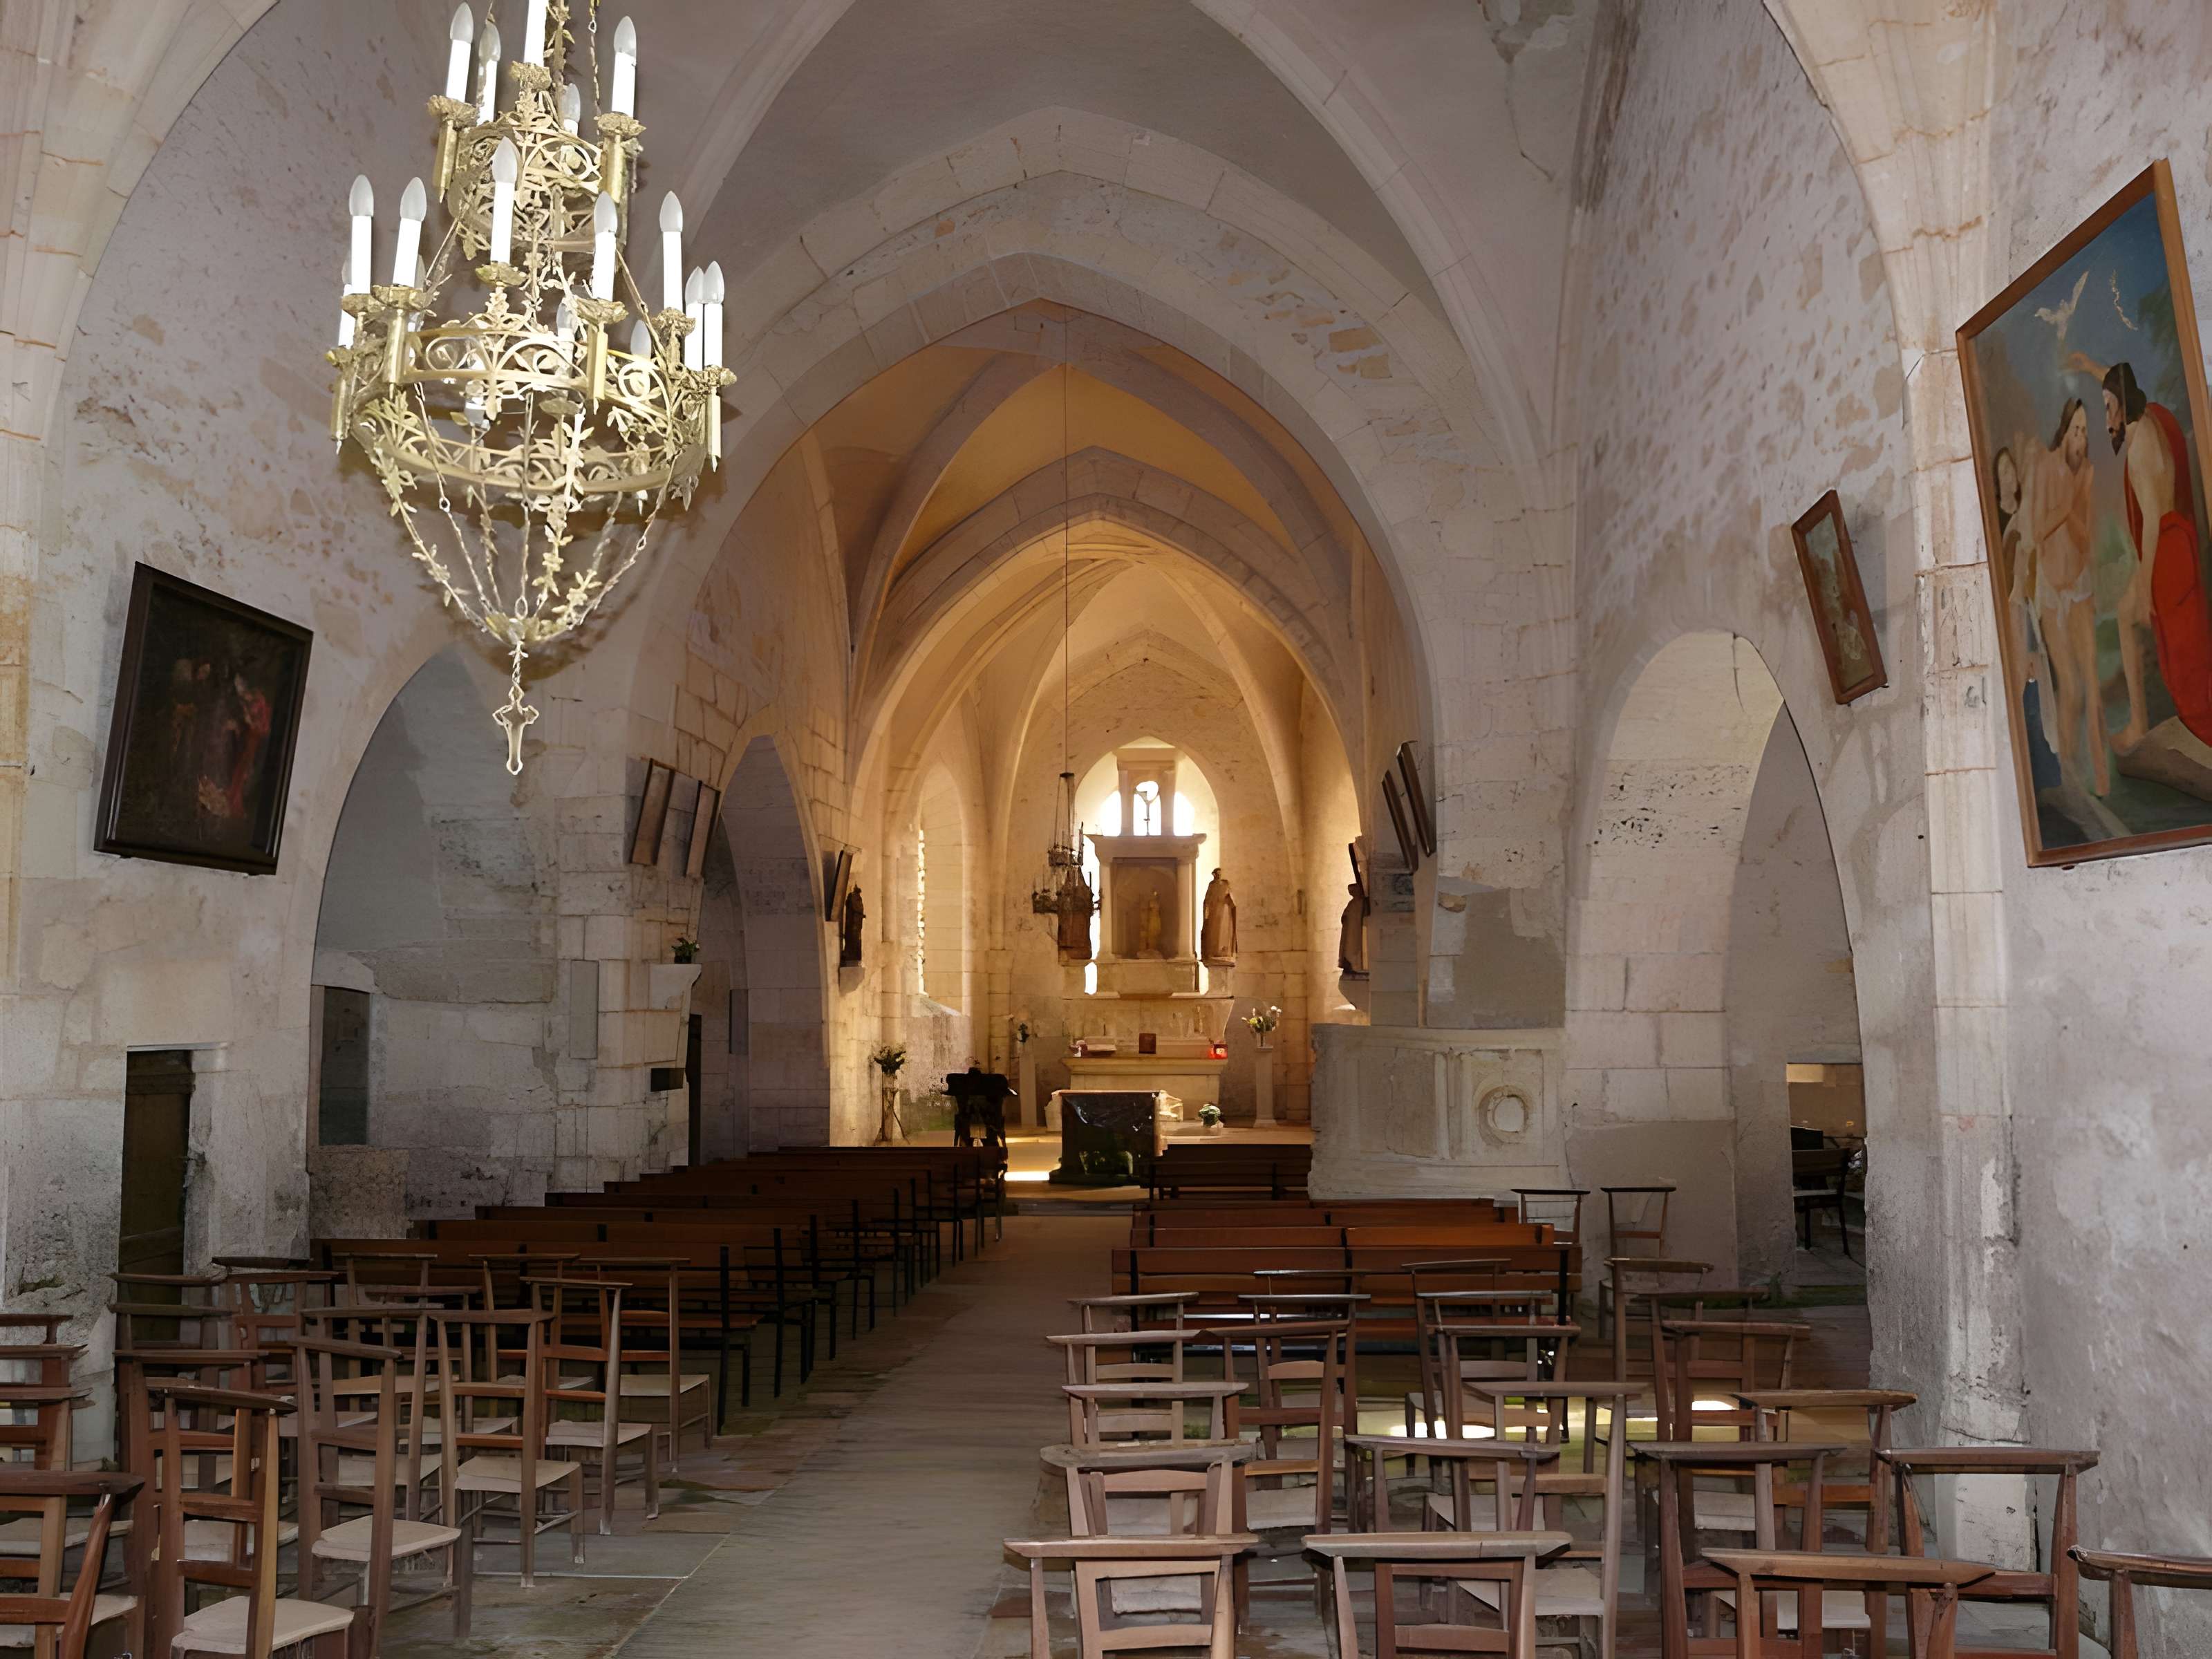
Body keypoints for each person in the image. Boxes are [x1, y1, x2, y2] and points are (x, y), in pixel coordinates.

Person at [2079, 355, 2212, 750]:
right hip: (2177, 543)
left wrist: (2144, 580)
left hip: (2168, 552)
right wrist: (2088, 365)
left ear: (2120, 404)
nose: (2105, 419)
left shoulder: (2139, 448)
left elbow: (2152, 520)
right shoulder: (2150, 419)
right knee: (2171, 642)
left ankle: (2156, 723)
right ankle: (2140, 720)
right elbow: (2118, 380)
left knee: (2182, 657)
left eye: (2107, 408)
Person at [2030, 397, 2108, 794]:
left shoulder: (2088, 472)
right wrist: (2066, 503)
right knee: (2071, 685)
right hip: (2050, 589)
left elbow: (2084, 538)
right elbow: (2038, 530)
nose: (2079, 437)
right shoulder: (2044, 465)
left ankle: (2102, 779)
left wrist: (2077, 497)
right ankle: (2070, 776)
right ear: (2063, 431)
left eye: (2084, 432)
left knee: (2091, 682)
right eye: (2074, 429)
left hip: (2079, 585)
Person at [1199, 868, 1237, 964]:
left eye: (1219, 874)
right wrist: (1207, 910)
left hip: (1224, 911)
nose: (1218, 875)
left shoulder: (1226, 884)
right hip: (1213, 912)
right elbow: (1207, 900)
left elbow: (1232, 900)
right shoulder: (1212, 885)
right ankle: (1213, 951)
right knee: (1213, 931)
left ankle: (1224, 951)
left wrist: (1229, 900)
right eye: (1216, 874)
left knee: (1223, 931)